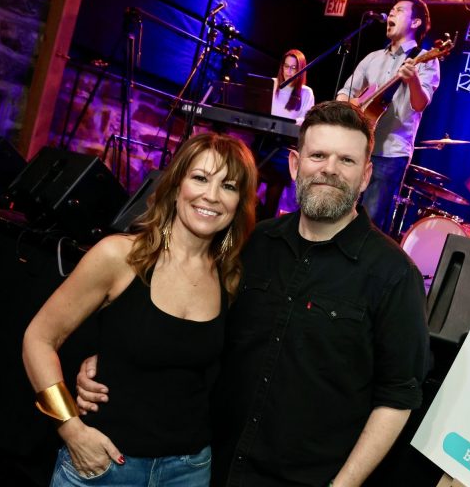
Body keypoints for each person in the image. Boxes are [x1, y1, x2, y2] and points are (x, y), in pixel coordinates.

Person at [77, 102, 430, 487]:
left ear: (365, 176)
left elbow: (397, 398)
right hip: (208, 466)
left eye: (346, 160)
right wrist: (117, 359)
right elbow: (197, 330)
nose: (329, 169)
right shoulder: (254, 243)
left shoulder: (394, 275)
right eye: (318, 155)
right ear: (296, 165)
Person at [22, 133, 257, 486]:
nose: (211, 195)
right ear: (177, 185)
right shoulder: (121, 256)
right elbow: (38, 339)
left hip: (188, 470)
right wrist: (70, 428)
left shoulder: (229, 277)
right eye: (200, 178)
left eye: (229, 186)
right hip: (104, 465)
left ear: (239, 202)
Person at [337, 0, 441, 234]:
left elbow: (420, 103)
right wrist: (350, 108)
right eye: (391, 10)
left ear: (415, 23)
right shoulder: (373, 57)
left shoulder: (425, 59)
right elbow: (345, 92)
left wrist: (412, 78)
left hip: (391, 153)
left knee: (369, 224)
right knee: (340, 213)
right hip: (357, 148)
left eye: (399, 10)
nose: (391, 14)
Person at [258, 49, 316, 220]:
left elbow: (306, 121)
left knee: (277, 180)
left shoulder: (306, 92)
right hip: (264, 140)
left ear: (300, 71)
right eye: (286, 67)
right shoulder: (272, 84)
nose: (289, 72)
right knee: (251, 169)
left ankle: (266, 221)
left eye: (293, 68)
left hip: (285, 147)